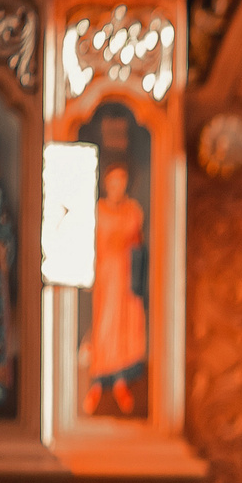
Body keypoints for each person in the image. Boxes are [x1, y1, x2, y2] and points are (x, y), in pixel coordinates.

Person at [82, 162, 146, 415]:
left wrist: (129, 246)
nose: (118, 186)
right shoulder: (98, 210)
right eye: (113, 181)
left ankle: (120, 380)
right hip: (105, 278)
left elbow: (138, 243)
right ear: (106, 183)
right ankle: (97, 381)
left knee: (125, 327)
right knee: (105, 326)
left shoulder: (132, 210)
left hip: (127, 279)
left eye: (122, 181)